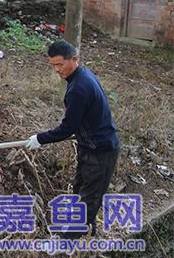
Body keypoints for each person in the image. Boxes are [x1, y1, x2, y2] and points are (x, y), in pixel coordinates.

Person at [26, 40, 120, 238]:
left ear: (74, 59)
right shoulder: (80, 77)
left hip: (101, 150)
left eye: (60, 64)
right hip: (88, 146)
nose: (57, 70)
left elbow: (68, 128)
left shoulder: (79, 87)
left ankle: (68, 242)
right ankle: (88, 232)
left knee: (89, 198)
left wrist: (40, 139)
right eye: (53, 65)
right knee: (80, 190)